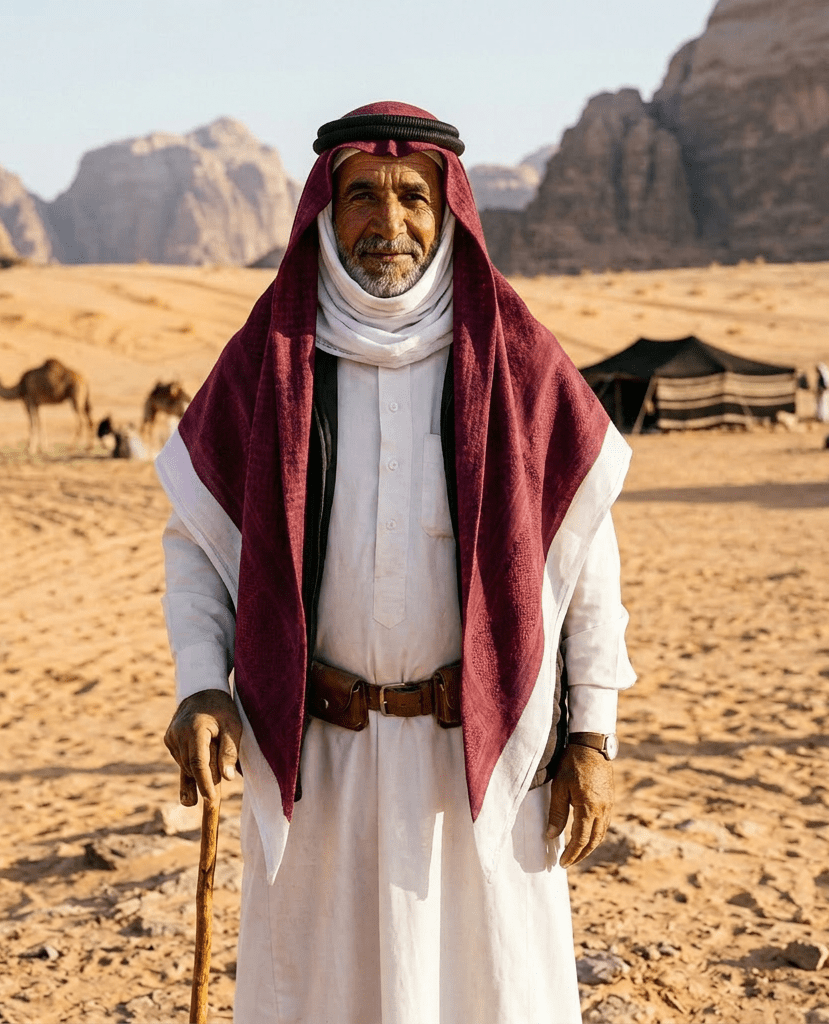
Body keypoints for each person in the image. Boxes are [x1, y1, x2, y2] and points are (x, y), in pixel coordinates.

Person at [157, 101, 636, 1024]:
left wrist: (592, 737)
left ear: (449, 208)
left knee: (486, 990)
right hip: (317, 764)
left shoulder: (518, 361)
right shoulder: (269, 359)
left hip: (481, 761)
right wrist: (199, 687)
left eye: (414, 197)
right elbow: (200, 545)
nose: (390, 224)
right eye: (363, 197)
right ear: (324, 215)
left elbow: (588, 555)